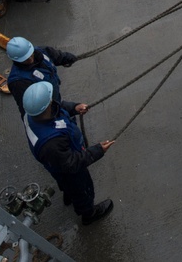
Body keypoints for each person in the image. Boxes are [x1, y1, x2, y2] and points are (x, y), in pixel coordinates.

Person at [22, 81, 114, 226]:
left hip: (57, 164)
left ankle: (68, 195)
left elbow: (59, 107)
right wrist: (98, 151)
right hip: (68, 169)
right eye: (50, 99)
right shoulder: (50, 143)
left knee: (66, 184)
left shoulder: (32, 115)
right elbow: (72, 163)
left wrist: (74, 108)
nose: (52, 99)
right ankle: (88, 213)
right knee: (82, 189)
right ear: (46, 106)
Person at [6, 36, 80, 116]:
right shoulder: (19, 82)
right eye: (26, 59)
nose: (31, 59)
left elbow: (57, 56)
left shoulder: (42, 51)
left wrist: (67, 58)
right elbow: (28, 109)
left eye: (31, 54)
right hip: (45, 110)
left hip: (54, 98)